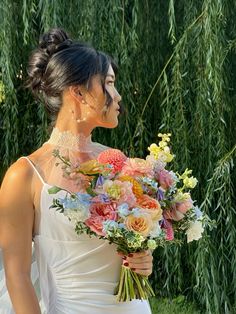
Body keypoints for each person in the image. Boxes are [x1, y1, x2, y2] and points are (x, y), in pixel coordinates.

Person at [0, 28, 153, 314]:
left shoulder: (118, 162)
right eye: (109, 83)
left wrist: (142, 257)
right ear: (78, 91)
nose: (118, 96)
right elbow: (17, 276)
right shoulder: (24, 176)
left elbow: (126, 247)